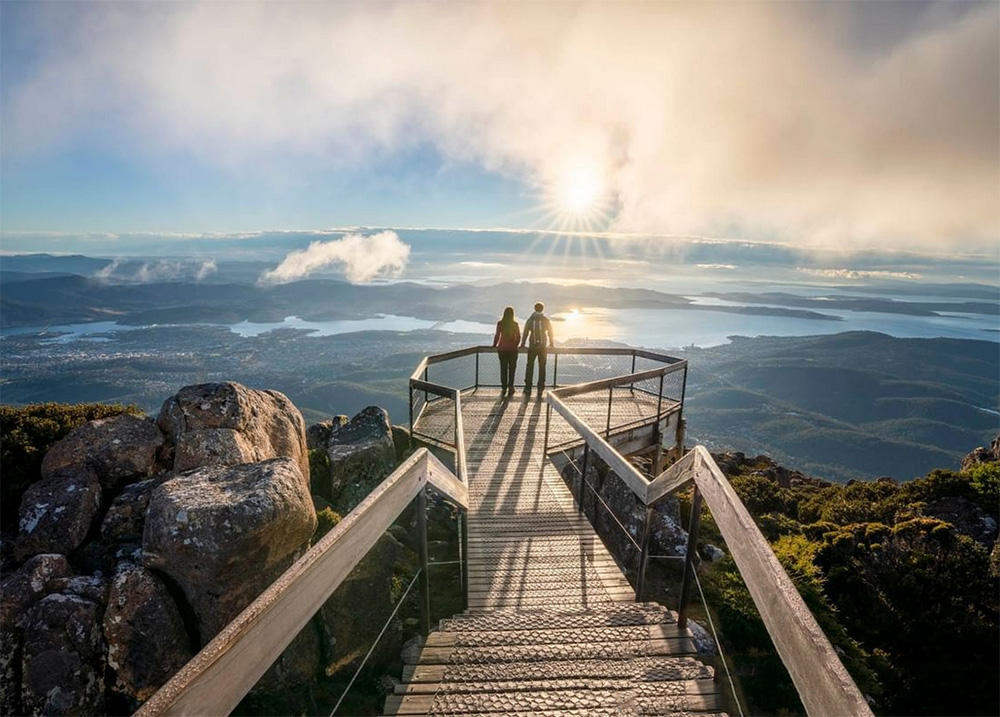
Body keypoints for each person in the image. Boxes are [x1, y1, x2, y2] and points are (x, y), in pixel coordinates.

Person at [520, 301, 554, 396]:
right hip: (543, 347)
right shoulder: (546, 320)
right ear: (542, 309)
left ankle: (528, 388)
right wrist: (551, 343)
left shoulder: (530, 320)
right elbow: (550, 332)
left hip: (532, 346)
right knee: (542, 367)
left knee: (530, 366)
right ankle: (540, 388)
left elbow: (526, 332)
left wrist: (522, 343)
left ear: (534, 309)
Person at [492, 306, 521, 396]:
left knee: (503, 368)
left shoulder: (500, 323)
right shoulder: (515, 324)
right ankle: (511, 387)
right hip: (513, 350)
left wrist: (494, 345)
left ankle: (504, 387)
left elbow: (497, 335)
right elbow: (519, 336)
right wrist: (515, 345)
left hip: (502, 349)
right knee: (512, 369)